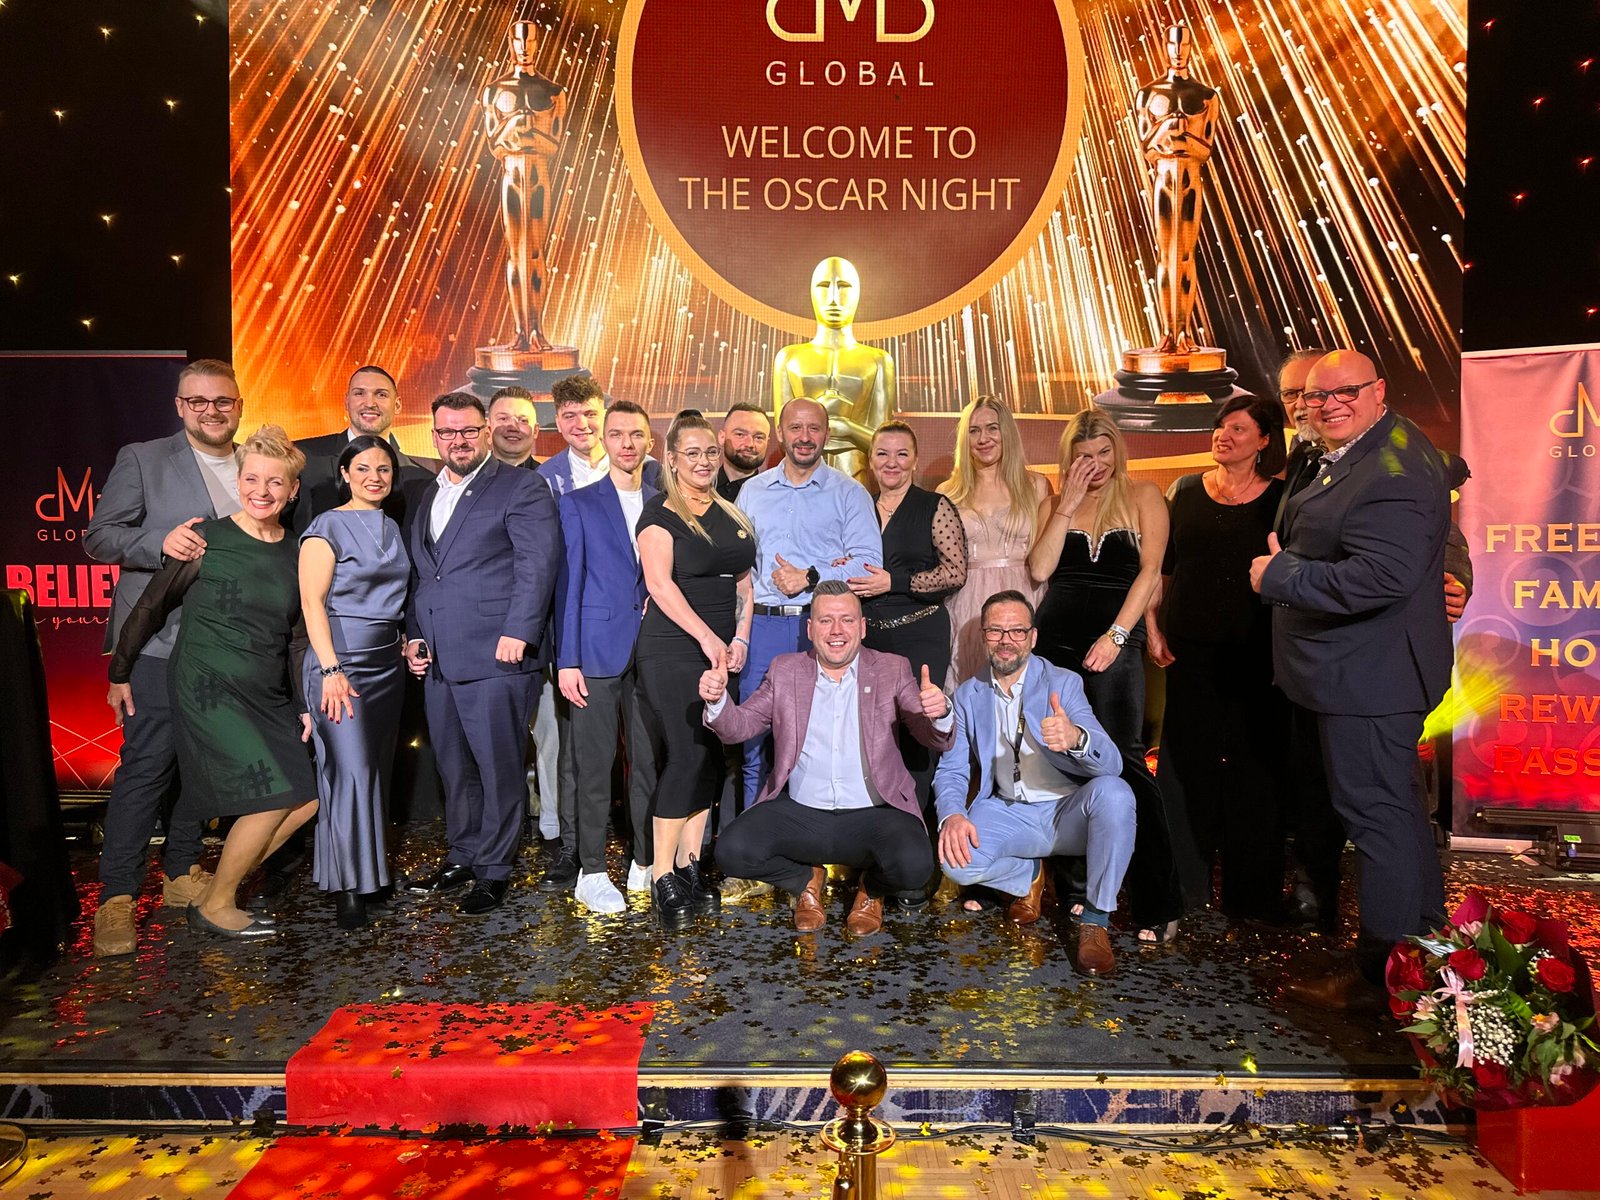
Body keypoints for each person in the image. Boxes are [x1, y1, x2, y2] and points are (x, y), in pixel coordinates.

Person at [1251, 349, 1452, 1007]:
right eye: (1314, 395)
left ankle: (1381, 978)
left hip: (1370, 677)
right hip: (1359, 671)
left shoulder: (1395, 467)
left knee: (1377, 820)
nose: (1327, 404)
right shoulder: (1359, 448)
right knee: (1396, 813)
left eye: (1344, 392)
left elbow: (1383, 575)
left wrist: (1280, 575)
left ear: (1378, 390)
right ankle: (1422, 959)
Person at [107, 426, 318, 941]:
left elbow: (296, 637)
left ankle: (212, 892)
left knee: (306, 800)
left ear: (292, 490)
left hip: (266, 690)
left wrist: (302, 704)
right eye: (252, 479)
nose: (262, 491)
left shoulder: (297, 551)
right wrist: (120, 672)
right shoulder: (207, 538)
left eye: (275, 482)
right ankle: (218, 904)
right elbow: (151, 607)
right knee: (270, 798)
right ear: (239, 482)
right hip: (207, 683)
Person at [84, 358, 242, 957]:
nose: (211, 411)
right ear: (180, 407)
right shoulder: (144, 458)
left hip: (225, 644)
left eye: (222, 401)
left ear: (239, 405)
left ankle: (180, 871)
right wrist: (159, 541)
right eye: (198, 401)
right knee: (147, 766)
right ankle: (116, 898)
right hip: (159, 641)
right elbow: (100, 537)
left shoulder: (255, 464)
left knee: (202, 766)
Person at [701, 582, 954, 936]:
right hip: (803, 813)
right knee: (731, 851)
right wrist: (717, 701)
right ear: (810, 629)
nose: (837, 631)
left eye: (847, 620)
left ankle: (871, 890)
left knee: (916, 866)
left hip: (874, 812)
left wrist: (939, 713)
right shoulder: (785, 670)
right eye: (825, 621)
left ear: (862, 627)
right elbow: (740, 726)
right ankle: (805, 880)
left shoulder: (892, 668)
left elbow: (930, 735)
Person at [403, 392, 561, 915]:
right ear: (434, 437)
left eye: (468, 430)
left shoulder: (521, 485)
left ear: (486, 432)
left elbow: (538, 564)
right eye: (447, 432)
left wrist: (520, 630)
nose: (459, 440)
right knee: (455, 767)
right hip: (439, 659)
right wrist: (415, 636)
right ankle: (463, 855)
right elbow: (425, 576)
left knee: (498, 767)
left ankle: (494, 869)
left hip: (498, 654)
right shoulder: (429, 492)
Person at [1028, 410, 1181, 944]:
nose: (1093, 464)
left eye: (1102, 453)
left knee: (1124, 759)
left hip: (1116, 638)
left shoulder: (1144, 495)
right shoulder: (1053, 503)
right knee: (1063, 760)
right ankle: (1076, 891)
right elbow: (1040, 570)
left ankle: (1157, 902)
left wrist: (1117, 636)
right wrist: (1066, 506)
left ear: (1117, 452)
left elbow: (1150, 572)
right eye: (1082, 456)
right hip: (1055, 640)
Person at [934, 591, 1135, 976]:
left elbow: (1112, 764)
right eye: (995, 630)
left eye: (1017, 631)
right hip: (1006, 811)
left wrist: (1075, 737)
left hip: (1065, 812)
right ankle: (1028, 876)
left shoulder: (1064, 683)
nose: (1006, 640)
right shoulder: (967, 694)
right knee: (953, 862)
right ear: (983, 635)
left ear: (1033, 636)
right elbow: (952, 770)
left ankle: (1095, 922)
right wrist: (954, 815)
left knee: (1116, 793)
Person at [1145, 395, 1289, 921]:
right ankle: (1184, 886)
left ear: (1264, 440)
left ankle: (1253, 897)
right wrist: (1152, 625)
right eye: (1219, 426)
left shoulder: (1282, 499)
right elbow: (1162, 569)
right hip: (1190, 652)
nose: (1223, 435)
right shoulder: (1184, 491)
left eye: (1238, 428)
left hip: (1259, 655)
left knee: (1256, 769)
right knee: (1185, 767)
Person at [635, 414, 756, 927]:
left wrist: (740, 638)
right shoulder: (659, 514)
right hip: (672, 649)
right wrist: (709, 639)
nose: (703, 461)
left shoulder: (729, 510)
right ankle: (661, 875)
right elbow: (660, 586)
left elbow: (743, 583)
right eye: (692, 453)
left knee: (708, 760)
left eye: (710, 452)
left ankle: (689, 866)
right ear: (672, 459)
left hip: (720, 653)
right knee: (685, 756)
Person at [736, 398, 881, 808]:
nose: (804, 437)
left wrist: (811, 576)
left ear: (827, 435)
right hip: (761, 627)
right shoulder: (752, 491)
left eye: (813, 428)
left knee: (817, 743)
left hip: (821, 630)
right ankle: (754, 837)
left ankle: (810, 839)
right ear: (780, 433)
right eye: (795, 428)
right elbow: (739, 568)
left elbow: (870, 563)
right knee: (752, 743)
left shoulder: (849, 493)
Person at [298, 435, 411, 929]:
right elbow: (311, 604)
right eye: (362, 468)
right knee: (351, 770)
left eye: (383, 469)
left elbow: (394, 602)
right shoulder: (327, 525)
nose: (374, 477)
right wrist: (330, 669)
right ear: (344, 474)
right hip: (340, 666)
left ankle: (369, 873)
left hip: (387, 667)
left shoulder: (392, 526)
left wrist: (405, 644)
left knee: (374, 771)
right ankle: (349, 886)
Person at [554, 400, 660, 914]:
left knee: (647, 764)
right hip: (594, 651)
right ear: (605, 440)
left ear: (649, 442)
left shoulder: (665, 501)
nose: (626, 443)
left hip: (654, 651)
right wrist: (567, 659)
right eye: (616, 433)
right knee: (594, 767)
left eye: (636, 434)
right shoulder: (578, 503)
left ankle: (644, 860)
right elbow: (568, 583)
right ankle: (591, 870)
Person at [853, 421, 967, 827]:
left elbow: (955, 572)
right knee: (871, 736)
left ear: (915, 461)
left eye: (902, 454)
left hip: (920, 635)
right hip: (867, 641)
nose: (892, 463)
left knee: (918, 734)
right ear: (870, 460)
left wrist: (894, 582)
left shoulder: (934, 506)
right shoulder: (858, 506)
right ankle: (872, 831)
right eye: (883, 454)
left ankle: (913, 831)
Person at [938, 396, 1052, 686]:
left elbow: (1047, 555)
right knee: (970, 686)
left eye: (992, 428)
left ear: (1007, 432)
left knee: (1027, 688)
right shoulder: (947, 492)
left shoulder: (1036, 485)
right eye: (974, 431)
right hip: (967, 603)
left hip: (1026, 595)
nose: (983, 439)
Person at [289, 365, 434, 533]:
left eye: (381, 394)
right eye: (359, 393)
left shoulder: (422, 480)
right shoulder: (301, 457)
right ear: (347, 401)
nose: (370, 403)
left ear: (397, 405)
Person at [716, 402, 772, 501]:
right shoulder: (698, 488)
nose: (750, 444)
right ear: (722, 437)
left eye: (759, 437)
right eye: (740, 435)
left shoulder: (773, 497)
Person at [487, 385, 541, 469]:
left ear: (535, 431)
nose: (513, 427)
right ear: (488, 429)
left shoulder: (546, 476)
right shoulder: (472, 476)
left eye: (523, 420)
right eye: (503, 418)